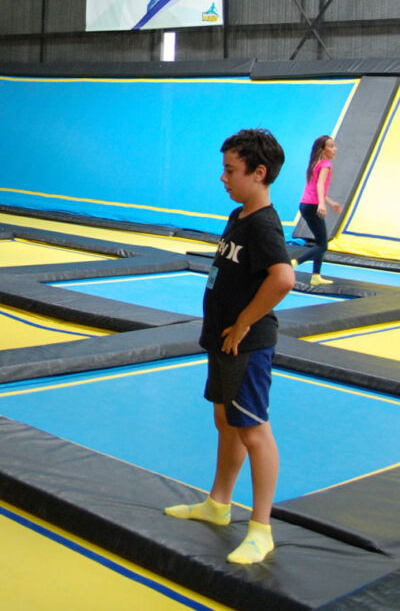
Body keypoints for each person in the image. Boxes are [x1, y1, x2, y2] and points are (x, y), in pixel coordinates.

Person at [164, 129, 294, 565]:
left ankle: (261, 528)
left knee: (254, 431)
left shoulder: (262, 224)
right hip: (223, 339)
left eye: (230, 170)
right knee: (226, 420)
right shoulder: (239, 215)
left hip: (247, 344)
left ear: (259, 173)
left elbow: (283, 278)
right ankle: (219, 503)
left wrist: (242, 324)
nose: (223, 178)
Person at [291, 135, 342, 286]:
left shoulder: (315, 163)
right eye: (331, 146)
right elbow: (320, 185)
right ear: (323, 149)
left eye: (334, 146)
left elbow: (315, 187)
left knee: (321, 241)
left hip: (306, 204)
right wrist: (321, 204)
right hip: (313, 205)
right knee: (322, 244)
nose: (335, 149)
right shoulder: (325, 164)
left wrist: (330, 202)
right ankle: (294, 262)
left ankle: (316, 276)